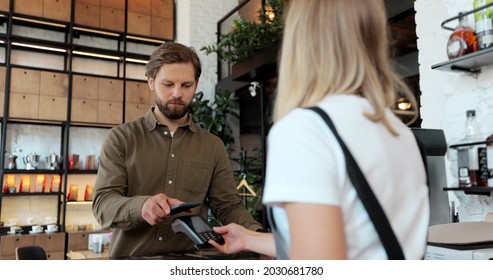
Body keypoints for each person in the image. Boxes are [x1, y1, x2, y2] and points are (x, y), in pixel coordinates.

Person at [210, 0, 430, 259]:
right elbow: (357, 242)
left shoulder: (305, 131)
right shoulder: (399, 132)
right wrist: (248, 238)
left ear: (300, 41)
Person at [92, 42, 263, 257]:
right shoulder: (121, 138)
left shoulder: (212, 146)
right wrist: (142, 206)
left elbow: (228, 207)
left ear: (196, 84)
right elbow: (102, 205)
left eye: (186, 85)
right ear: (151, 81)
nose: (177, 93)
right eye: (168, 84)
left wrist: (259, 238)